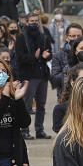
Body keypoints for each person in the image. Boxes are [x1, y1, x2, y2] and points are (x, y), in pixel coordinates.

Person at [15, 12, 53, 140]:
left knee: (41, 104)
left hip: (42, 75)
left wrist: (46, 56)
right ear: (26, 22)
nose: (34, 23)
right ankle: (24, 130)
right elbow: (20, 58)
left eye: (36, 20)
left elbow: (49, 53)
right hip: (29, 76)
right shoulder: (21, 38)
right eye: (31, 21)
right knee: (27, 104)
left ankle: (39, 130)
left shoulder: (43, 36)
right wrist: (34, 57)